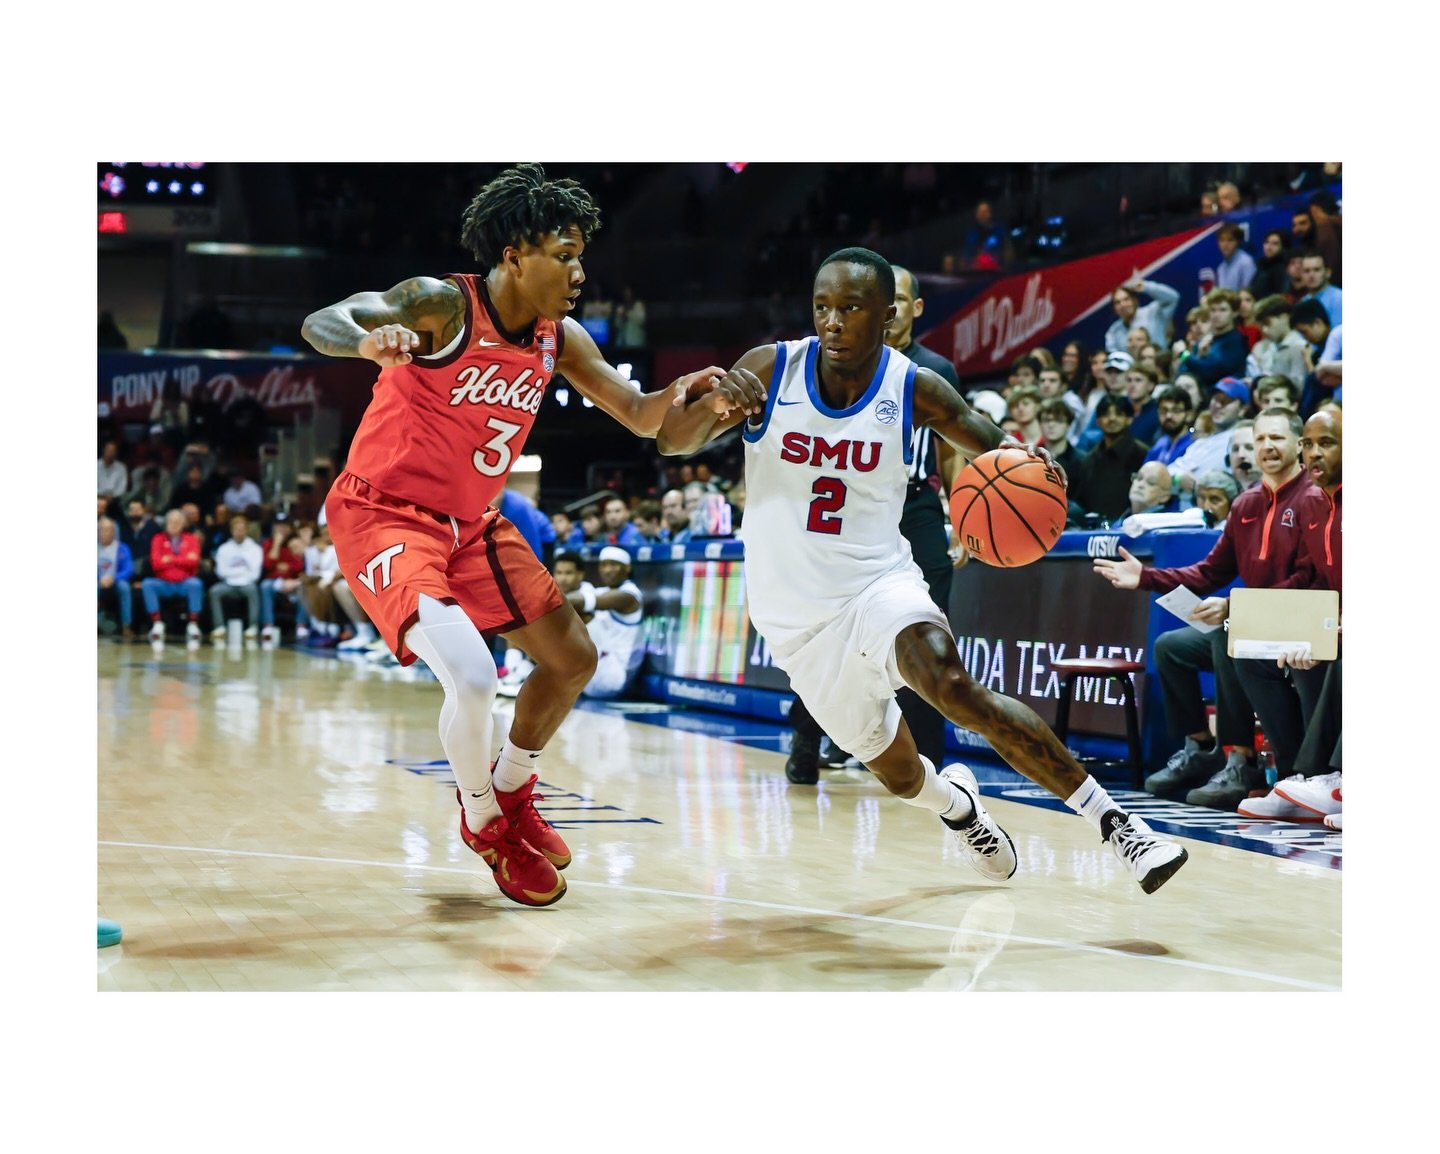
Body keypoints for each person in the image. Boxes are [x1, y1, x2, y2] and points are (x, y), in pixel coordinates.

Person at [658, 246, 1188, 894]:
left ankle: (1121, 829)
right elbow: (670, 441)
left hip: (879, 583)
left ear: (888, 315)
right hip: (795, 622)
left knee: (953, 686)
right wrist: (711, 406)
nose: (832, 322)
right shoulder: (772, 368)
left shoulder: (913, 385)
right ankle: (960, 809)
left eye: (851, 308)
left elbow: (990, 442)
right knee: (903, 775)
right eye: (822, 306)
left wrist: (1034, 479)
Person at [301, 163, 727, 908]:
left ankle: (512, 786)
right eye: (564, 255)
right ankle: (484, 822)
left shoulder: (560, 339)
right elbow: (324, 321)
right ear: (514, 256)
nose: (579, 272)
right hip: (385, 514)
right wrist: (367, 342)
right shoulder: (440, 304)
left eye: (580, 256)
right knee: (471, 676)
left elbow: (644, 417)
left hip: (471, 525)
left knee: (572, 658)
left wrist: (692, 399)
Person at [1093, 408, 1317, 809]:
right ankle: (1199, 749)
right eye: (1260, 439)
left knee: (1227, 635)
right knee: (1171, 646)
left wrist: (1233, 606)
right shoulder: (1246, 503)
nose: (1266, 446)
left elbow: (1307, 577)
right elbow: (1210, 571)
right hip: (1252, 622)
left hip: (1300, 620)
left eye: (1276, 438)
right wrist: (1145, 577)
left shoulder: (1312, 497)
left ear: (1299, 445)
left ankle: (1241, 762)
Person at [1236, 407, 1343, 822]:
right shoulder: (1317, 505)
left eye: (1326, 444)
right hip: (1332, 619)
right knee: (1253, 653)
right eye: (1309, 444)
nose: (1314, 454)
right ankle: (1294, 779)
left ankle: (1330, 779)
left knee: (1334, 656)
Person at [572, 546, 646, 699]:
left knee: (581, 614)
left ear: (627, 568)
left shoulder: (630, 596)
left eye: (613, 565)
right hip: (595, 672)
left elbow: (579, 602)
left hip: (615, 677)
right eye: (604, 565)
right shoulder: (602, 591)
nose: (607, 570)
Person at [1069, 395, 1150, 525]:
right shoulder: (1088, 460)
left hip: (1131, 527)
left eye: (1118, 414)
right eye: (1106, 414)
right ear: (1098, 421)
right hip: (1093, 530)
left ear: (1129, 419)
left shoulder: (1144, 455)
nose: (1112, 418)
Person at [1167, 376, 1252, 494]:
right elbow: (1169, 470)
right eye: (1215, 399)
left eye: (1226, 401)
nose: (1218, 405)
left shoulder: (1244, 439)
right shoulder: (1201, 443)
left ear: (1243, 409)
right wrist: (1179, 477)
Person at [142, 509, 205, 646]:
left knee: (196, 584)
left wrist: (170, 559)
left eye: (177, 522)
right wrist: (182, 560)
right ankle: (157, 623)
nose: (173, 525)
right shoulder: (158, 539)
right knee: (147, 584)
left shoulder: (191, 539)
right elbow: (156, 564)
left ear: (183, 524)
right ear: (166, 523)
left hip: (184, 582)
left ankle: (193, 624)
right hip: (164, 583)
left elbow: (194, 562)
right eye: (171, 522)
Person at [1174, 288, 1248, 388]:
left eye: (1223, 310)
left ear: (1234, 313)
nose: (1216, 315)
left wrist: (1183, 353)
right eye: (1213, 310)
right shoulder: (1204, 340)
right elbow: (1183, 370)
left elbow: (1212, 372)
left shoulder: (1237, 341)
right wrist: (1198, 356)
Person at [207, 513, 264, 640]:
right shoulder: (224, 549)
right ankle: (219, 627)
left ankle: (253, 627)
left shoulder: (255, 549)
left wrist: (235, 573)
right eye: (236, 529)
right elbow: (221, 572)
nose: (239, 532)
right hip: (228, 583)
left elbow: (255, 574)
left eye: (242, 529)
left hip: (247, 583)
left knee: (253, 590)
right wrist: (242, 572)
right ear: (231, 531)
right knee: (214, 591)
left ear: (247, 530)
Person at [1103, 273, 1180, 354]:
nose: (1123, 304)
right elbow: (1113, 355)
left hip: (1161, 360)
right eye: (1117, 302)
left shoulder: (1152, 312)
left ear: (1135, 301)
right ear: (1114, 308)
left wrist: (1146, 287)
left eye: (1126, 299)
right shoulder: (1113, 331)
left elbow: (1173, 298)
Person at [1248, 295, 1310, 386]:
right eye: (1261, 326)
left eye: (1267, 323)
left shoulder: (1300, 347)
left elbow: (1298, 386)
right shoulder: (1263, 347)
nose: (1264, 330)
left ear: (1284, 318)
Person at [97, 516, 134, 639]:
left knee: (124, 587)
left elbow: (128, 569)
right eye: (102, 529)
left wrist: (113, 578)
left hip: (116, 582)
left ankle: (126, 625)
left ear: (113, 532)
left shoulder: (122, 548)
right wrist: (99, 579)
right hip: (98, 582)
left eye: (108, 530)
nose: (104, 532)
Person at [1143, 385, 1196, 467]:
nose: (1168, 416)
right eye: (1164, 410)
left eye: (1176, 410)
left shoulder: (1194, 445)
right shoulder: (1159, 445)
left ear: (1189, 415)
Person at [1248, 230, 1291, 299]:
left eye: (1275, 244)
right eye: (1266, 242)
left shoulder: (1283, 269)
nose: (1269, 247)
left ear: (1283, 247)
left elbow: (1279, 297)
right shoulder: (1260, 265)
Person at [1213, 222, 1256, 290]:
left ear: (1238, 242)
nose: (1225, 244)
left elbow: (1249, 293)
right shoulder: (1221, 268)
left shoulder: (1246, 263)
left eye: (1230, 240)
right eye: (1222, 240)